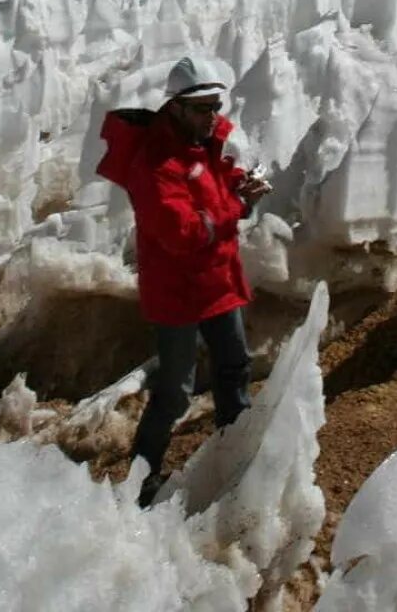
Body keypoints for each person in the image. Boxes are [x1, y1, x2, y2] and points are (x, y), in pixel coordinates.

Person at [96, 54, 272, 507]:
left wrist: (238, 185)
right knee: (175, 392)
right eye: (203, 108)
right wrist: (235, 208)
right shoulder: (155, 164)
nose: (213, 116)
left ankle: (234, 455)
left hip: (215, 283)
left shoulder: (199, 144)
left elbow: (209, 184)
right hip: (178, 294)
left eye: (215, 106)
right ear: (175, 108)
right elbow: (182, 231)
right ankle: (142, 479)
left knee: (234, 369)